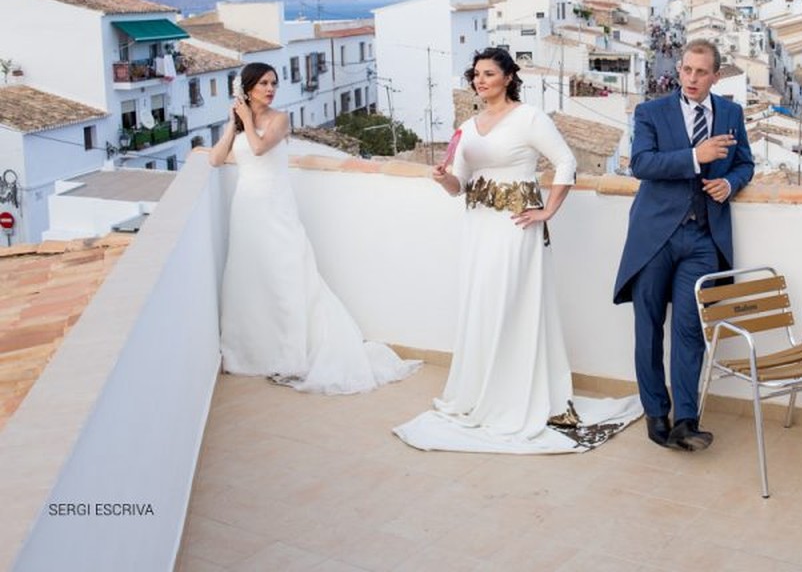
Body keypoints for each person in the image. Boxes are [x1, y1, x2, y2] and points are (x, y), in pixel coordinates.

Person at [394, 48, 640, 453]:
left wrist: (548, 210)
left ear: (508, 77)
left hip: (515, 228)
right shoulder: (468, 127)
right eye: (475, 74)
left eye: (489, 73)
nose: (480, 80)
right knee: (483, 305)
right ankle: (483, 392)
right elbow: (460, 185)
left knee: (512, 305)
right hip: (479, 227)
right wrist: (442, 178)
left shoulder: (529, 118)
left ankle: (517, 396)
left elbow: (565, 161)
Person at [212, 62, 420, 394]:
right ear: (247, 88)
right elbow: (214, 159)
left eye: (273, 83)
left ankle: (292, 352)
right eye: (263, 83)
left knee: (286, 274)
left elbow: (259, 148)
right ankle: (254, 352)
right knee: (250, 275)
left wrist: (247, 120)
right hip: (246, 207)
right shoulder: (240, 125)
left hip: (275, 207)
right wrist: (230, 125)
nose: (270, 89)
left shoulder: (279, 120)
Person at [613, 39, 755, 451]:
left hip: (703, 238)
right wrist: (697, 155)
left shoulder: (731, 113)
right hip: (655, 236)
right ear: (679, 69)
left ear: (715, 75)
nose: (691, 79)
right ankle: (656, 412)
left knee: (691, 329)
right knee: (649, 327)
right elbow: (642, 163)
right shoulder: (651, 112)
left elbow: (745, 161)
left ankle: (686, 420)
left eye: (700, 72)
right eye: (686, 70)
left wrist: (730, 182)